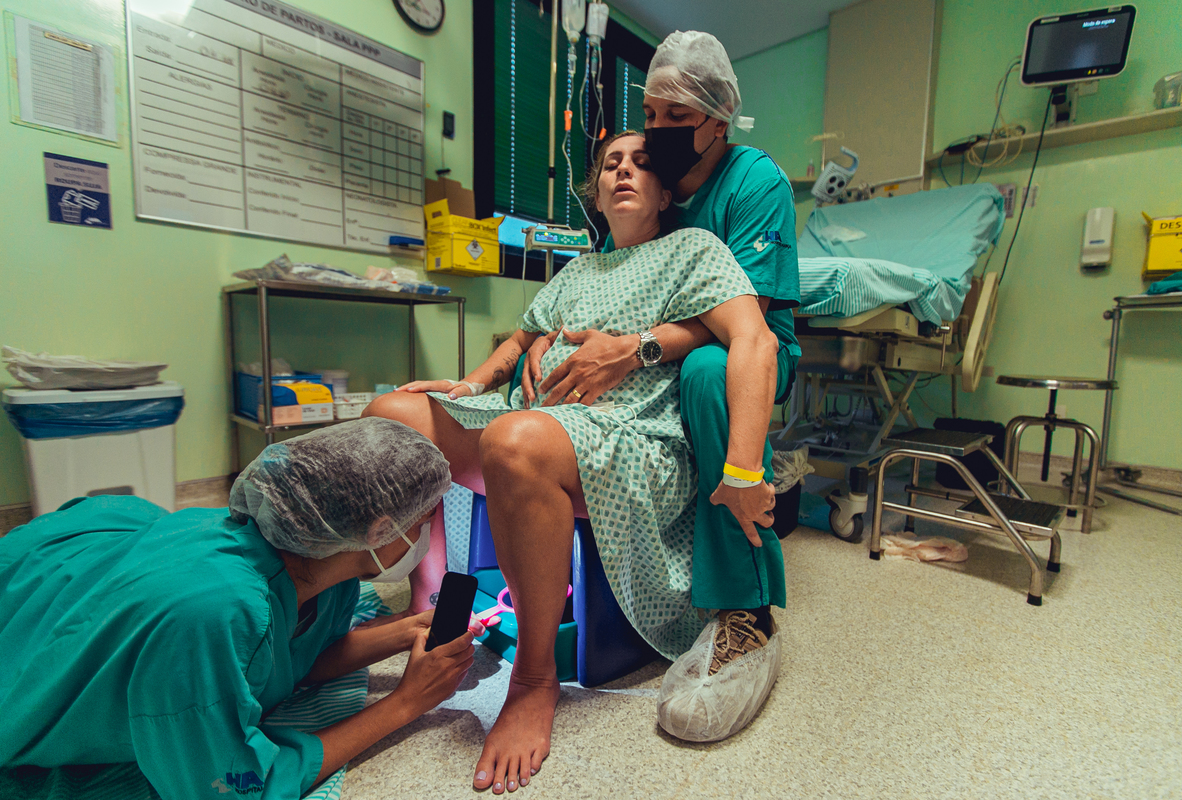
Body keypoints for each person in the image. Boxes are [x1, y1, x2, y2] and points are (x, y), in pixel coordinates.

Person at [363, 130, 779, 793]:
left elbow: (754, 339)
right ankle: (437, 611)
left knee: (515, 442)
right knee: (393, 417)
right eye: (611, 162)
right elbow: (518, 342)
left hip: (628, 436)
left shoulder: (694, 251)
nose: (622, 170)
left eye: (641, 164)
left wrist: (742, 469)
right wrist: (468, 386)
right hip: (535, 418)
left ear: (668, 192)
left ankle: (532, 681)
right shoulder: (579, 269)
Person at [520, 31, 802, 739]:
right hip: (647, 360)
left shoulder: (752, 182)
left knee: (707, 372)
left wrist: (636, 349)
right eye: (650, 114)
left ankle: (746, 610)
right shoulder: (656, 181)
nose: (656, 135)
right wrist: (543, 343)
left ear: (718, 117)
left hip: (733, 352)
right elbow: (610, 286)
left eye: (677, 118)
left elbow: (746, 329)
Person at [0, 418, 479, 800]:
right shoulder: (214, 615)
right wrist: (406, 703)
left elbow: (293, 660)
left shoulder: (325, 561)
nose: (426, 538)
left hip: (104, 554)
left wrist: (404, 630)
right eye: (424, 522)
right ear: (378, 531)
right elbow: (234, 786)